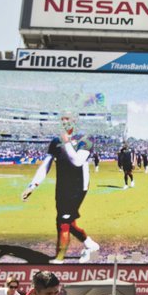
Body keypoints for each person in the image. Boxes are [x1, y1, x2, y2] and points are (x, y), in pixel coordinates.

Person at [21, 111, 100, 264]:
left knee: (63, 221)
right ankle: (89, 244)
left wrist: (67, 143)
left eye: (68, 119)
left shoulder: (87, 139)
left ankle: (59, 259)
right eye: (62, 119)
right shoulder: (55, 140)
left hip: (78, 186)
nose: (64, 122)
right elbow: (46, 164)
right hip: (62, 185)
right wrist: (33, 185)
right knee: (68, 220)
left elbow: (77, 161)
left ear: (75, 121)